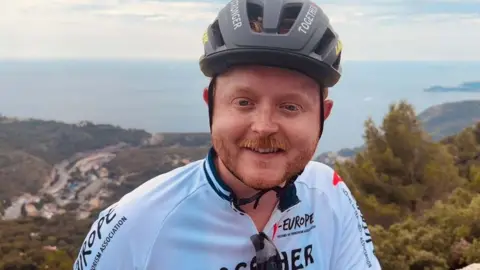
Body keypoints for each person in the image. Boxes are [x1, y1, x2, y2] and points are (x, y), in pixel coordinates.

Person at [73, 0, 382, 269]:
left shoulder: (330, 195)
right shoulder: (134, 224)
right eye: (243, 102)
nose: (263, 127)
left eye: (290, 106)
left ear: (322, 115)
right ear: (211, 106)